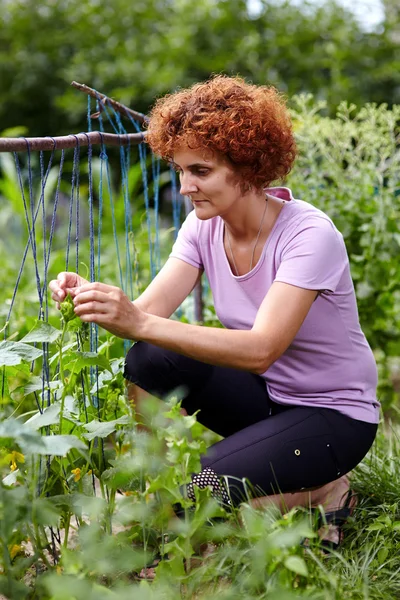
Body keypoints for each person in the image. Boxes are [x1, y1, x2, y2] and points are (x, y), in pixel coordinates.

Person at [50, 75, 379, 547]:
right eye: (180, 170)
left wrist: (140, 321)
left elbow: (261, 349)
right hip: (267, 402)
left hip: (334, 415)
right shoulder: (202, 227)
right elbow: (144, 315)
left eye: (200, 171)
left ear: (246, 167)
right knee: (149, 358)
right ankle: (160, 494)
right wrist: (91, 298)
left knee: (202, 490)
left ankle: (324, 486)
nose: (185, 187)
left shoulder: (309, 236)